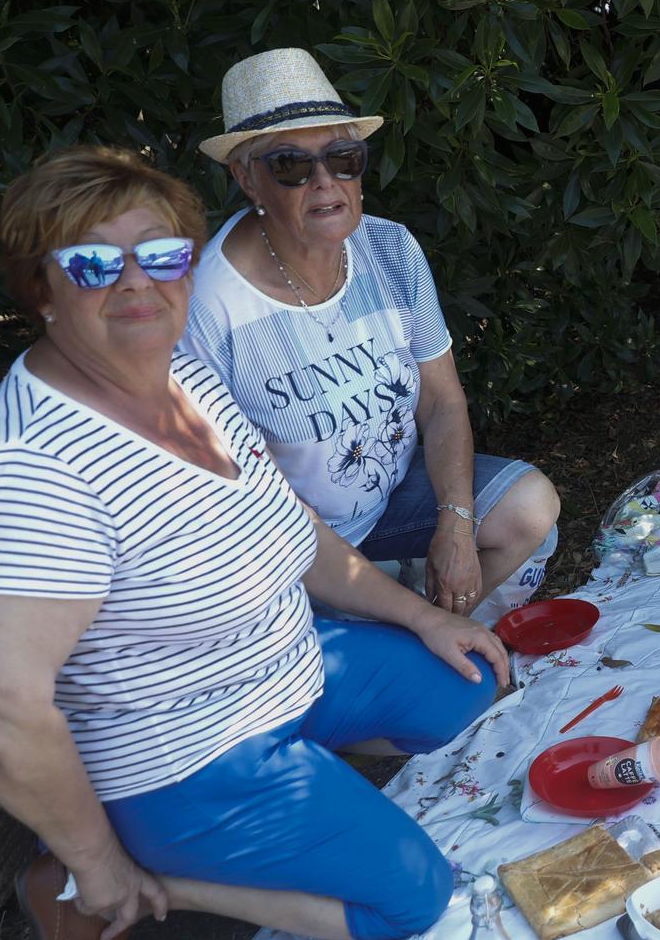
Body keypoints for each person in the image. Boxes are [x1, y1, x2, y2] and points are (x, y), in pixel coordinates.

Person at [0, 148, 513, 940]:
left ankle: (301, 794)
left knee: (473, 685)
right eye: (94, 262)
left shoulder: (181, 370)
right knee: (409, 894)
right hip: (179, 747)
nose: (138, 282)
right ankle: (122, 886)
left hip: (286, 666)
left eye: (162, 254)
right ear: (41, 289)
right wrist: (104, 863)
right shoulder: (31, 469)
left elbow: (292, 532)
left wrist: (420, 618)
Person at [183, 48, 560, 623]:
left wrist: (455, 529)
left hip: (390, 501)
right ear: (245, 179)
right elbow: (242, 499)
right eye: (289, 165)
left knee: (530, 507)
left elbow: (440, 400)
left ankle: (434, 634)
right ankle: (410, 631)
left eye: (342, 157)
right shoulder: (207, 304)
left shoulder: (390, 249)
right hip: (292, 546)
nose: (323, 182)